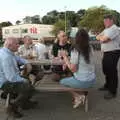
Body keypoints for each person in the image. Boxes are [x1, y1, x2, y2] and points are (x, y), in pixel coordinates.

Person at [0, 37, 37, 118]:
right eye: (16, 44)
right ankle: (12, 107)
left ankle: (24, 103)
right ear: (9, 45)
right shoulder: (6, 57)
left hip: (8, 78)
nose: (18, 45)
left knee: (28, 82)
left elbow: (18, 58)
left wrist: (27, 63)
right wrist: (24, 80)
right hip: (5, 82)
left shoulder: (8, 52)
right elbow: (11, 78)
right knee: (29, 87)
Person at [59, 29, 96, 108]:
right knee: (71, 77)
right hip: (92, 80)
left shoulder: (76, 49)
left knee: (62, 82)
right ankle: (82, 95)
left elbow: (73, 69)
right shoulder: (90, 47)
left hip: (83, 81)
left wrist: (65, 57)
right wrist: (68, 60)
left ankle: (78, 96)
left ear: (76, 38)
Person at [96, 14, 120, 99]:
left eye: (106, 21)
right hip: (107, 53)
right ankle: (107, 85)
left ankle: (112, 91)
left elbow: (103, 39)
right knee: (105, 69)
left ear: (111, 20)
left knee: (112, 71)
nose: (104, 23)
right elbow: (98, 37)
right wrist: (102, 38)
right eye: (104, 21)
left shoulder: (114, 29)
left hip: (113, 52)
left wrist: (102, 38)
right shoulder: (107, 29)